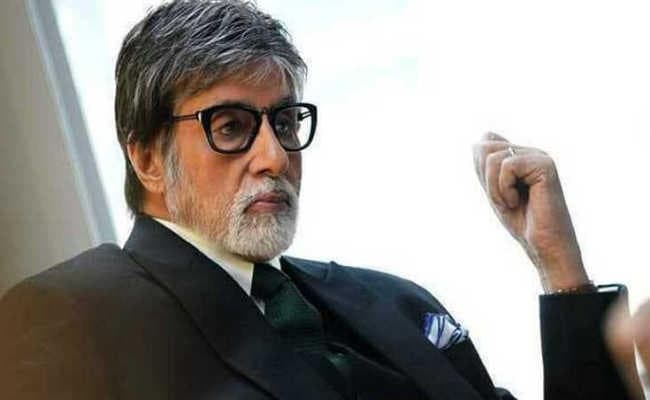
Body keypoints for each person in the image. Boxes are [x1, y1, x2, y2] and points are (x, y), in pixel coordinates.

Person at [0, 1, 631, 399]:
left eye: (284, 121)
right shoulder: (68, 316)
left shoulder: (393, 300)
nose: (275, 157)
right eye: (231, 127)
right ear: (145, 158)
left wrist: (560, 271)